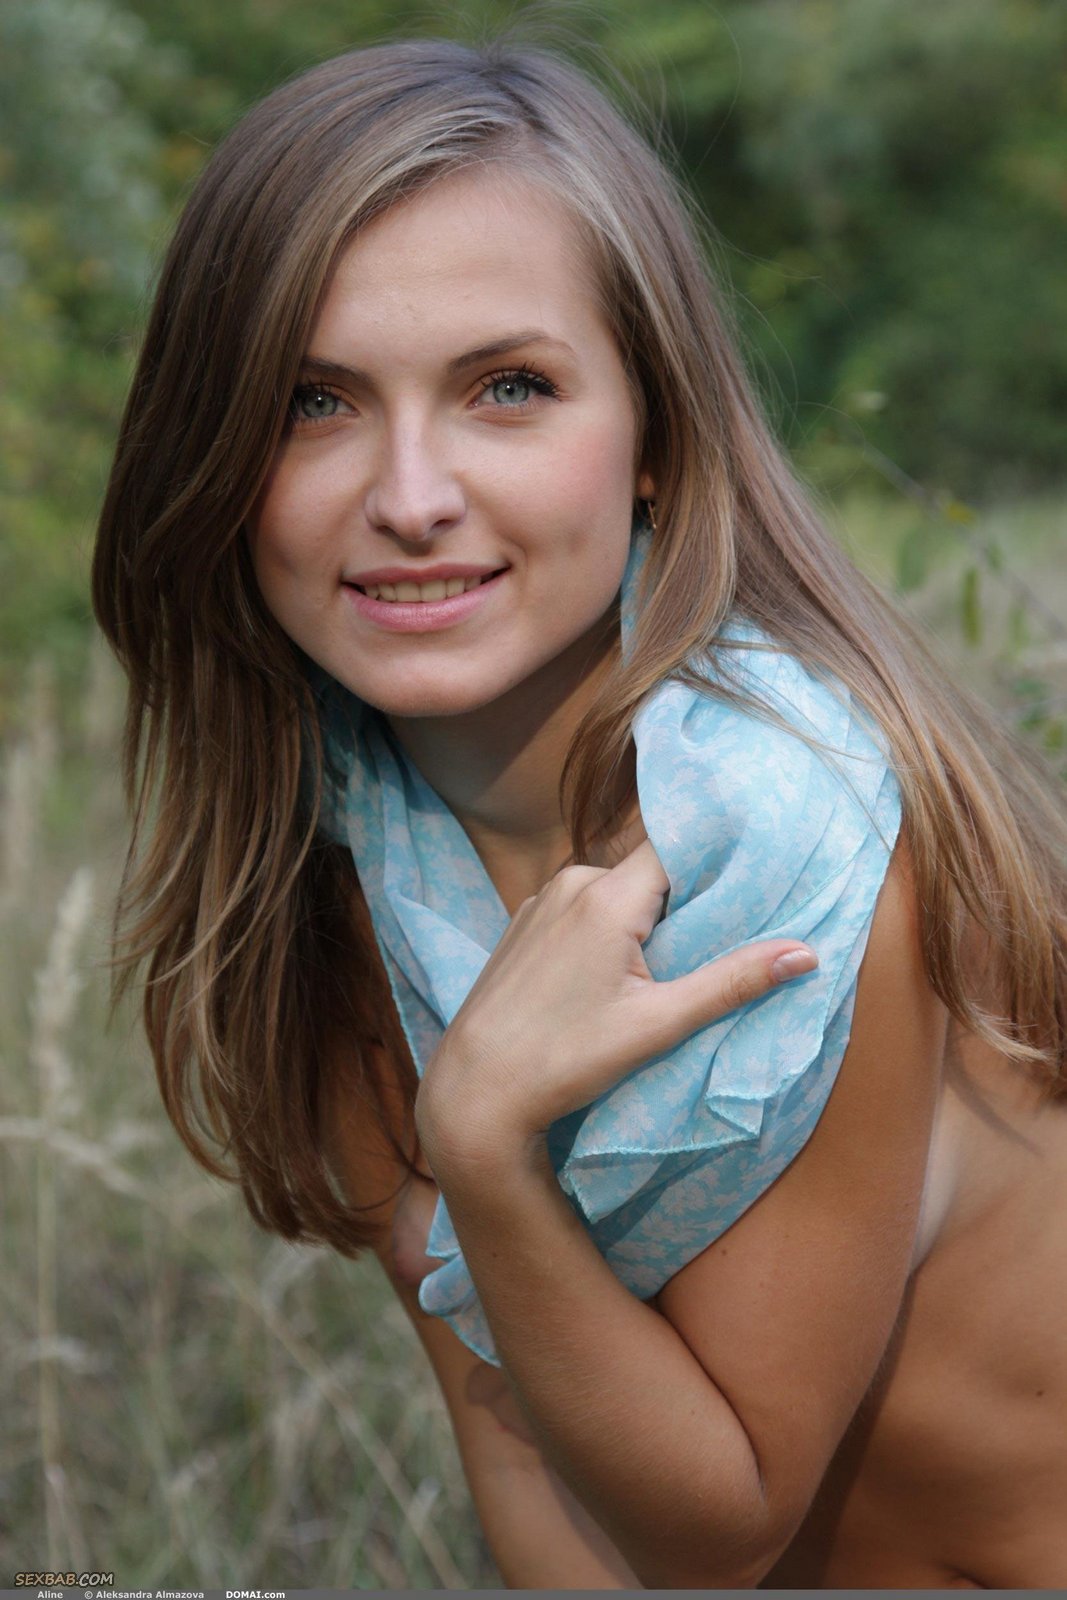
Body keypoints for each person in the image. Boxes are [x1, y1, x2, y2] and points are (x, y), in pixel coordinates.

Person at [91, 36, 1067, 1591]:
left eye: (510, 389)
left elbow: (716, 1528)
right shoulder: (350, 869)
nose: (411, 496)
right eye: (313, 401)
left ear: (657, 438)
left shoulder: (801, 848)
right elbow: (526, 1464)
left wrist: (485, 1148)